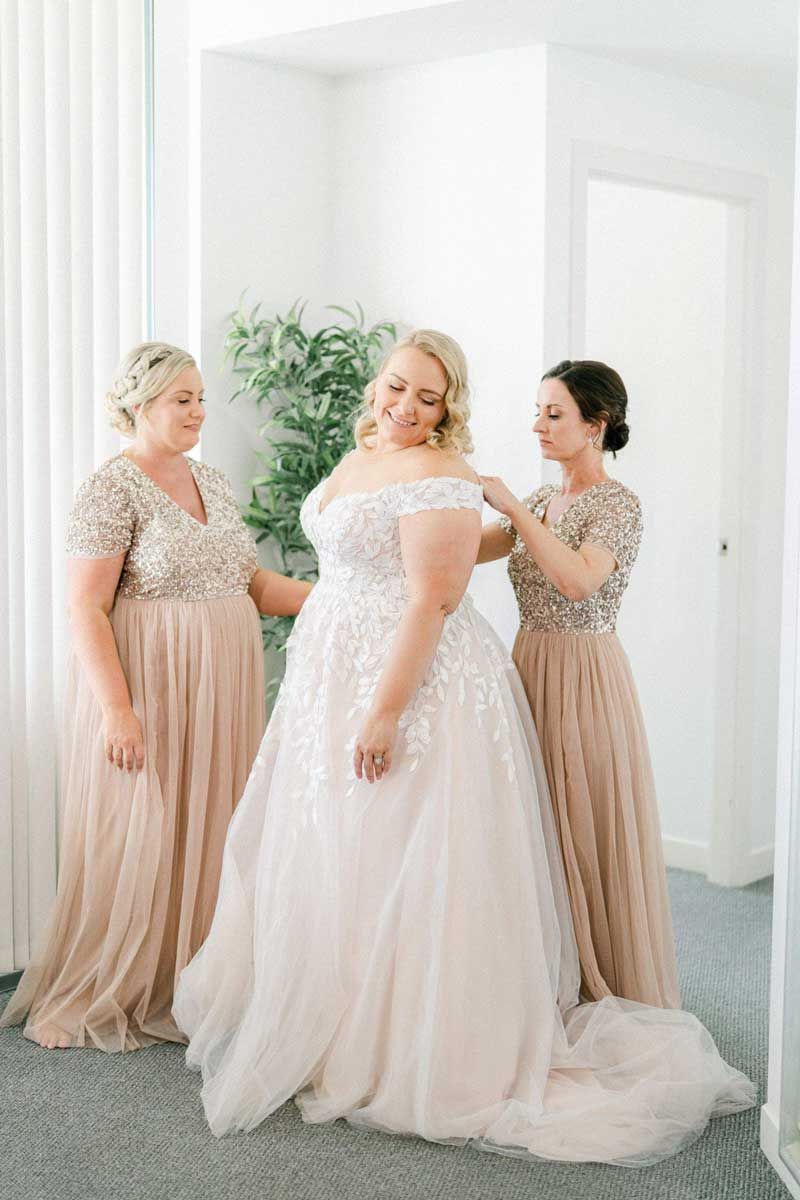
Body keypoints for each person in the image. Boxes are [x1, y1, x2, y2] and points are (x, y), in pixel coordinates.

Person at [173, 331, 753, 1165]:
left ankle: (431, 1033)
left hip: (479, 674)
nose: (406, 407)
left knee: (442, 846)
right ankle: (343, 1017)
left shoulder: (530, 491)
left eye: (429, 398)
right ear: (377, 385)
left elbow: (444, 594)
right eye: (398, 388)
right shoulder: (381, 459)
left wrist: (383, 708)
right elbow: (444, 553)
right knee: (349, 848)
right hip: (354, 665)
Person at [0, 342, 312, 1052]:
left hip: (223, 686)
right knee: (142, 829)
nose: (199, 411)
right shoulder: (111, 487)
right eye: (182, 399)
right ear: (139, 405)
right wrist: (117, 709)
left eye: (202, 398)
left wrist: (333, 602)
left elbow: (251, 582)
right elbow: (85, 608)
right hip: (153, 683)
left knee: (214, 825)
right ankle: (117, 980)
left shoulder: (214, 482)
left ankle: (196, 977)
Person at [478, 359, 679, 1009]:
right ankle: (544, 978)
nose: (537, 424)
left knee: (585, 826)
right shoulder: (540, 501)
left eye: (554, 413)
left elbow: (577, 581)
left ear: (596, 425)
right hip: (529, 665)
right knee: (533, 825)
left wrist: (511, 505)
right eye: (537, 411)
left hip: (586, 676)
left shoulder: (617, 505)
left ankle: (601, 983)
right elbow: (478, 546)